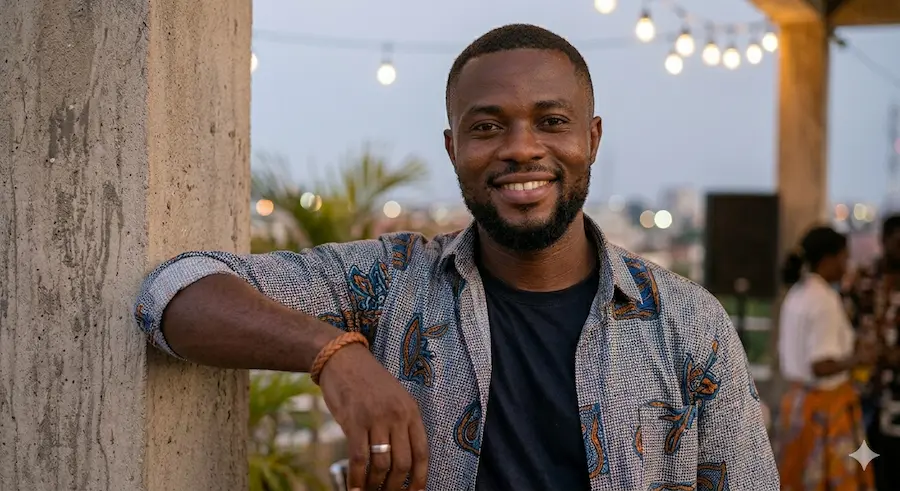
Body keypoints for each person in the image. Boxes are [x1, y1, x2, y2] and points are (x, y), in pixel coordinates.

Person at [133, 24, 778, 491]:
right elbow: (171, 292)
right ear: (452, 147)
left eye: (552, 121)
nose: (521, 149)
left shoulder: (688, 323)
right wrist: (336, 356)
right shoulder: (388, 283)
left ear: (593, 137)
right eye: (487, 126)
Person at [776, 226, 876, 490]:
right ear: (828, 259)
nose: (847, 264)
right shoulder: (825, 299)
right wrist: (859, 358)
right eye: (844, 257)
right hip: (825, 411)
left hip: (797, 404)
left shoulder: (797, 292)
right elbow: (821, 365)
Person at [847, 215, 900, 490]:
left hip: (896, 393)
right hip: (864, 387)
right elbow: (846, 320)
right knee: (863, 462)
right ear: (883, 241)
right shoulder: (865, 277)